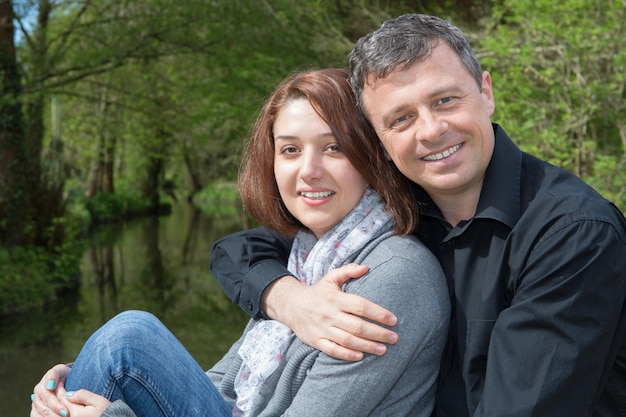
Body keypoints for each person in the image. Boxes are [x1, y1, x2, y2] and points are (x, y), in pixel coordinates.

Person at [208, 14, 626, 417]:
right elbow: (239, 249)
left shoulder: (572, 235)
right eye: (401, 118)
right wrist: (290, 299)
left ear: (486, 92)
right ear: (378, 139)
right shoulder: (392, 209)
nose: (430, 130)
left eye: (445, 100)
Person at [30, 68, 450, 417]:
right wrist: (80, 390)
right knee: (110, 356)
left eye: (334, 148)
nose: (309, 171)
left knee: (127, 339)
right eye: (289, 149)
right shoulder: (307, 260)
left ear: (371, 157)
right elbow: (221, 387)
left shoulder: (393, 275)